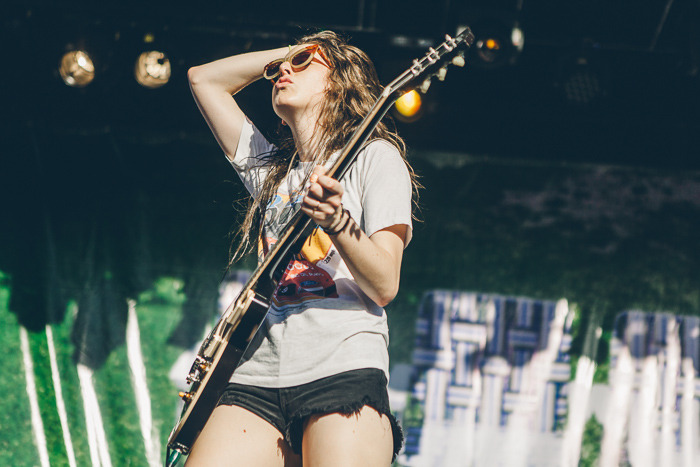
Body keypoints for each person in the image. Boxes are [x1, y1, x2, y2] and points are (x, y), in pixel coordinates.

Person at [185, 30, 416, 466]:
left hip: (341, 367)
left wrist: (337, 221)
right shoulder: (272, 172)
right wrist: (289, 53)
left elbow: (385, 283)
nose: (282, 72)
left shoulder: (376, 157)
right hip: (256, 373)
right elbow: (204, 80)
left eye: (304, 62)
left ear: (339, 80)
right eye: (278, 69)